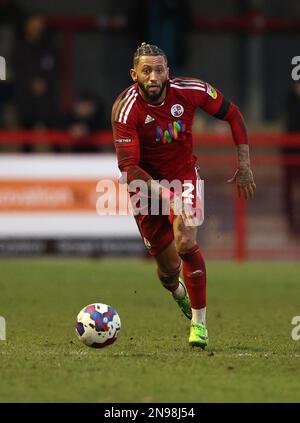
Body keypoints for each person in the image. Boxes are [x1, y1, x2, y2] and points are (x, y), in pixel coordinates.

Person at [111, 43, 256, 348]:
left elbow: (234, 115)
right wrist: (165, 195)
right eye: (146, 70)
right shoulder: (125, 109)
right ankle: (179, 293)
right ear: (134, 74)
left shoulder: (191, 91)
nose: (153, 76)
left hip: (183, 177)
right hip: (145, 186)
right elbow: (129, 168)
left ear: (168, 72)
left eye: (159, 69)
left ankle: (199, 324)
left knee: (186, 241)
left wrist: (244, 164)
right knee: (167, 273)